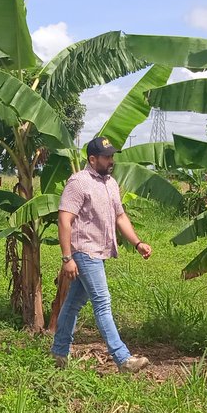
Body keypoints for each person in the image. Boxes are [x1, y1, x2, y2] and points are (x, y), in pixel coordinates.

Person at [50, 135, 151, 373]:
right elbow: (65, 220)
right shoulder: (79, 182)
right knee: (102, 303)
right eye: (106, 157)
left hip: (99, 252)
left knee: (73, 303)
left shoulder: (110, 183)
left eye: (112, 156)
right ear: (93, 159)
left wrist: (137, 243)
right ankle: (123, 359)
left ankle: (58, 352)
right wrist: (67, 258)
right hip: (85, 252)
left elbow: (120, 217)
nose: (111, 160)